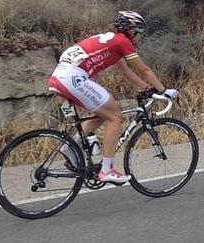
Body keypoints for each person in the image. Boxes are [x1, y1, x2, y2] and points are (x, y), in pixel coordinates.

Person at [48, 11, 179, 185]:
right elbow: (144, 70)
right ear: (131, 31)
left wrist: (147, 88)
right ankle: (106, 170)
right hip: (74, 78)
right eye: (141, 33)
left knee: (103, 113)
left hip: (60, 77)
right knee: (115, 115)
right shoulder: (122, 41)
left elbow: (126, 71)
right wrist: (164, 91)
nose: (141, 38)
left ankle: (70, 147)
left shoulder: (111, 40)